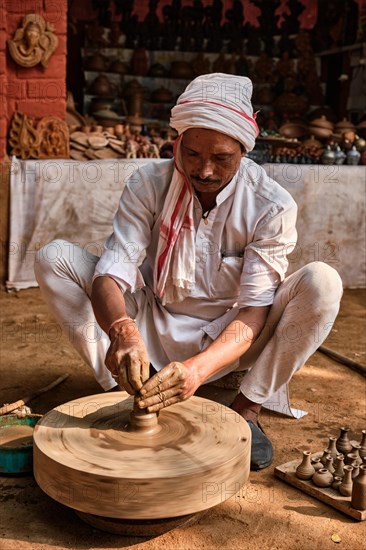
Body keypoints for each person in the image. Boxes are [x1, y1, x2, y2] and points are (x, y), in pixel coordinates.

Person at [35, 73, 343, 471]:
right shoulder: (149, 183)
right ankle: (123, 389)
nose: (205, 171)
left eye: (222, 158)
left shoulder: (271, 204)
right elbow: (112, 272)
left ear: (244, 150)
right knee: (53, 256)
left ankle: (248, 408)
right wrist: (123, 331)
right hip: (153, 319)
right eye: (192, 153)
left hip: (233, 333)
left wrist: (197, 370)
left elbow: (253, 309)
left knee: (323, 282)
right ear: (177, 140)